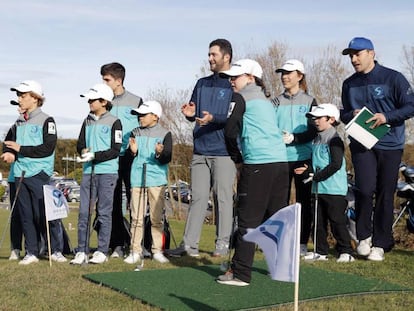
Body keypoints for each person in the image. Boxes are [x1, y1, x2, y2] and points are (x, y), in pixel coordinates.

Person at [216, 59, 289, 286]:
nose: (231, 81)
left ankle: (240, 274)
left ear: (250, 77)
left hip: (258, 164)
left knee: (248, 219)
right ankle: (280, 268)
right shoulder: (266, 101)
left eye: (235, 77)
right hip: (280, 164)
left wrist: (236, 158)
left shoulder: (240, 97)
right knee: (275, 218)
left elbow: (229, 131)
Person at [340, 37, 414, 261]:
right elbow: (343, 113)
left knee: (384, 192)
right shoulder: (349, 83)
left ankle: (381, 243)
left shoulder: (393, 78)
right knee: (363, 188)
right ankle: (364, 237)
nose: (354, 59)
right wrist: (349, 115)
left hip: (390, 144)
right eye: (351, 55)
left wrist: (386, 117)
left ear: (371, 53)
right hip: (362, 144)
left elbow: (411, 106)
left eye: (358, 54)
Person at [167, 39, 236, 258]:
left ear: (226, 57)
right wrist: (188, 114)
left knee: (223, 198)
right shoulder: (201, 83)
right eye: (208, 54)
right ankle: (189, 246)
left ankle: (222, 245)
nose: (210, 58)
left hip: (224, 150)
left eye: (213, 55)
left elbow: (236, 118)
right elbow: (194, 112)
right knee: (197, 197)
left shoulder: (234, 83)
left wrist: (214, 119)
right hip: (200, 149)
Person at [1, 80, 66, 265]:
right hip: (21, 174)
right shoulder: (18, 122)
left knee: (44, 214)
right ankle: (32, 252)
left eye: (23, 96)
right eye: (18, 96)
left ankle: (56, 250)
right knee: (26, 215)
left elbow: (47, 147)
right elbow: (9, 143)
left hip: (40, 173)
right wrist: (9, 152)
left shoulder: (47, 120)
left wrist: (20, 149)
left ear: (35, 99)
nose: (19, 100)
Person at [294, 104, 355, 262]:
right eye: (314, 118)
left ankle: (346, 252)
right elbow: (317, 163)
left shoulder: (335, 140)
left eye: (319, 118)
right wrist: (308, 171)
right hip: (318, 189)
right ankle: (320, 251)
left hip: (334, 189)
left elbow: (335, 164)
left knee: (337, 222)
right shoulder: (316, 138)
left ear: (331, 119)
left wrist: (317, 177)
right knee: (318, 222)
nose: (315, 121)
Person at [70, 83, 122, 265]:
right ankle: (82, 251)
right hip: (88, 171)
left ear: (103, 101)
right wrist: (83, 151)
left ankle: (101, 251)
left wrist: (95, 155)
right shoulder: (87, 120)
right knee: (84, 212)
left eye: (92, 100)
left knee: (104, 212)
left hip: (107, 172)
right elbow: (79, 143)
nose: (89, 103)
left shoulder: (114, 121)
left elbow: (115, 150)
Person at [274, 59, 318, 256]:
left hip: (303, 157)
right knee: (279, 202)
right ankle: (281, 242)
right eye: (283, 73)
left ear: (299, 76)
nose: (284, 76)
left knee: (303, 202)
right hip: (280, 157)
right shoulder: (275, 101)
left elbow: (315, 129)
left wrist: (295, 138)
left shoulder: (310, 101)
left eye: (289, 73)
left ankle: (301, 243)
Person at [101, 62, 143, 258]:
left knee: (135, 203)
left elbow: (143, 126)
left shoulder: (136, 101)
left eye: (106, 79)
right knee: (113, 202)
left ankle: (137, 245)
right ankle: (117, 244)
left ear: (118, 81)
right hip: (109, 159)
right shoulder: (101, 101)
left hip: (130, 157)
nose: (103, 82)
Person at [124, 101, 172, 264]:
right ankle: (134, 251)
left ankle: (157, 251)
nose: (140, 118)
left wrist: (160, 153)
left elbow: (167, 158)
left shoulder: (165, 133)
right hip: (137, 178)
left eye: (143, 115)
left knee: (156, 218)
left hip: (156, 179)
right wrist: (133, 152)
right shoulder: (134, 132)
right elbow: (129, 157)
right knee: (136, 217)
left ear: (155, 116)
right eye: (139, 115)